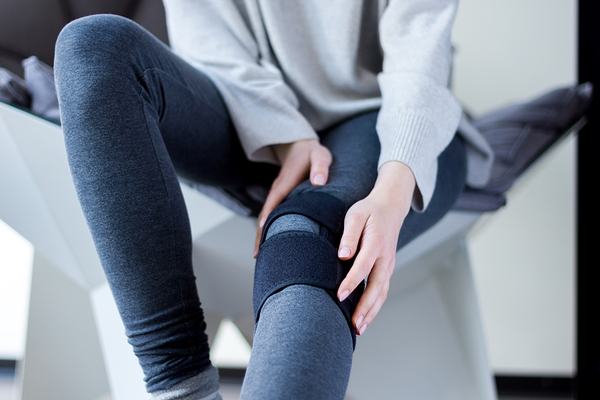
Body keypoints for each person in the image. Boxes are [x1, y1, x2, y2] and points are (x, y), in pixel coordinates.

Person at [54, 1, 479, 398]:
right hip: (240, 102)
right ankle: (183, 389)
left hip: (376, 111)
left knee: (309, 240)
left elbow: (420, 47)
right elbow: (208, 37)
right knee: (93, 47)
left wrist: (394, 186)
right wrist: (285, 136)